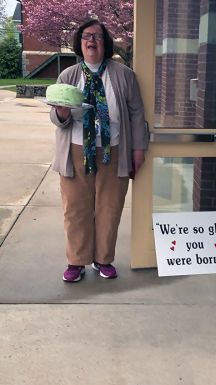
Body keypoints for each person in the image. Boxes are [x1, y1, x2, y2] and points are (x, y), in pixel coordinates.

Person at [50, 19, 148, 282]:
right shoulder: (68, 76)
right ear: (79, 44)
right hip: (76, 151)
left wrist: (138, 150)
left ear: (105, 43)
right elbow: (57, 118)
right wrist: (61, 113)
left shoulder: (124, 75)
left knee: (109, 208)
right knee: (75, 209)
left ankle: (103, 259)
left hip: (113, 151)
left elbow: (137, 114)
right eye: (86, 36)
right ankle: (76, 261)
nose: (91, 40)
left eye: (97, 36)